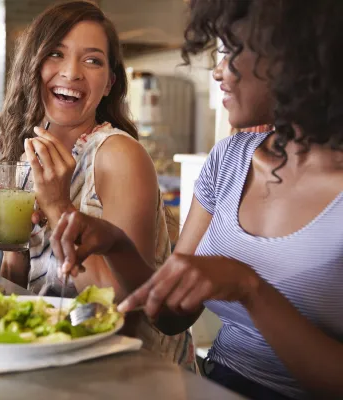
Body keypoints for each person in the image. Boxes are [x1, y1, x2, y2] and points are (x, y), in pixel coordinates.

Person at [49, 0, 343, 399]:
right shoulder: (230, 159)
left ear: (296, 56)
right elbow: (169, 317)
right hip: (214, 383)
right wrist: (116, 244)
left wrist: (249, 289)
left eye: (233, 50)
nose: (218, 71)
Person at [0, 1, 195, 371]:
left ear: (109, 83)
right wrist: (11, 242)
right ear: (34, 66)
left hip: (134, 371)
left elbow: (122, 310)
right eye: (56, 54)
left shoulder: (119, 155)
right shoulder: (29, 156)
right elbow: (24, 293)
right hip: (58, 361)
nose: (72, 72)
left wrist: (59, 206)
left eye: (92, 60)